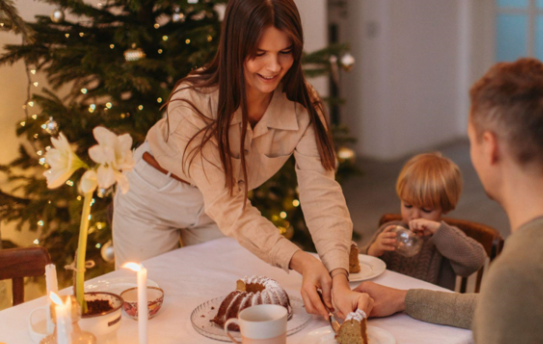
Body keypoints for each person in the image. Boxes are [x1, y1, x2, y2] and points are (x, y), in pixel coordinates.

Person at [356, 58, 543, 344]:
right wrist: (405, 299)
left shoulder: (522, 272)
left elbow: (512, 297)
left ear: (490, 147)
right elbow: (499, 304)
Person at [112, 0, 372, 319]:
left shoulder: (304, 106)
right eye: (259, 53)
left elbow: (321, 192)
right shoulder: (191, 102)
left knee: (220, 306)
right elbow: (227, 204)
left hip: (218, 213)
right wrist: (301, 260)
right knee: (145, 309)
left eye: (285, 51)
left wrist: (338, 274)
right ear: (235, 46)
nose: (274, 66)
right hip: (152, 199)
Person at [361, 153, 487, 290]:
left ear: (445, 208)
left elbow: (475, 261)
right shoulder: (390, 231)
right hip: (388, 304)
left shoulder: (447, 238)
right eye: (408, 205)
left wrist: (439, 232)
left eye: (426, 210)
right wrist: (373, 251)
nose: (415, 215)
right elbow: (358, 264)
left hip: (429, 308)